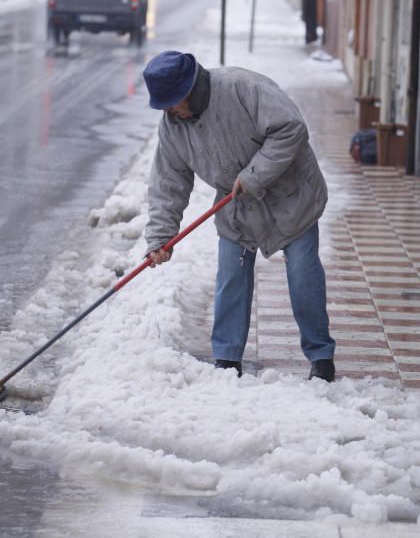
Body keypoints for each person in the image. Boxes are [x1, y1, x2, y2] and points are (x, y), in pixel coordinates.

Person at [142, 50, 336, 382]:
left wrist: (254, 176)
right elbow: (168, 183)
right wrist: (161, 238)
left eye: (173, 101)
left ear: (190, 88)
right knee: (231, 277)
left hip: (292, 196)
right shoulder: (174, 125)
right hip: (238, 206)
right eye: (164, 104)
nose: (170, 110)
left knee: (303, 275)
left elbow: (291, 129)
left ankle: (320, 357)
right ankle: (227, 359)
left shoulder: (241, 88)